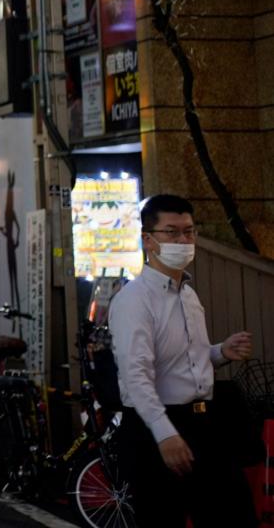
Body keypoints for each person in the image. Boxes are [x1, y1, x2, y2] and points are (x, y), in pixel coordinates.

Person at [110, 194, 257, 527]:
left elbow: (183, 361)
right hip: (156, 427)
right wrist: (164, 434)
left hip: (204, 423)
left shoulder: (188, 294)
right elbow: (136, 375)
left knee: (234, 515)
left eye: (189, 232)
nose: (183, 240)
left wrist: (220, 352)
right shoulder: (134, 300)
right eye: (172, 232)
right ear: (148, 240)